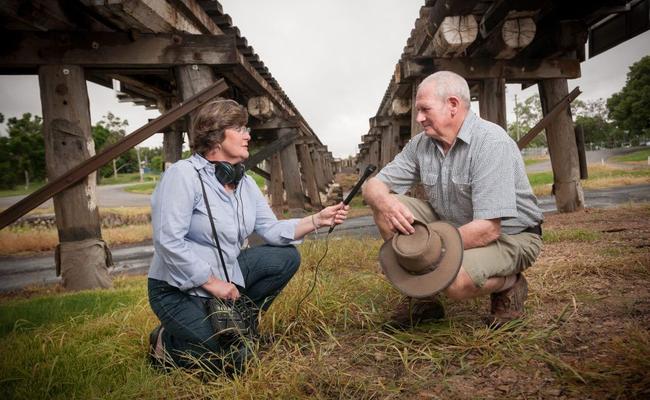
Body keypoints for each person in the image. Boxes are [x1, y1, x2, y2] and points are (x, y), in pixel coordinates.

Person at [147, 99, 349, 373]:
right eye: (240, 128)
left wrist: (316, 220)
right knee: (230, 361)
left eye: (247, 128)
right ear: (215, 136)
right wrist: (211, 282)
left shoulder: (246, 183)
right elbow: (168, 240)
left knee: (285, 257)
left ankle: (240, 328)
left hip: (226, 279)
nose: (248, 135)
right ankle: (165, 342)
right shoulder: (183, 176)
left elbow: (271, 230)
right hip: (175, 289)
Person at [363, 71, 543, 328]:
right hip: (452, 225)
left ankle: (510, 284)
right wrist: (386, 202)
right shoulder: (421, 144)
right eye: (418, 110)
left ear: (453, 105)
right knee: (386, 207)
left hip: (512, 236)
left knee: (454, 281)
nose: (419, 118)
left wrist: (430, 249)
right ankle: (425, 299)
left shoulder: (491, 143)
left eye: (425, 109)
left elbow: (488, 229)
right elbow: (373, 186)